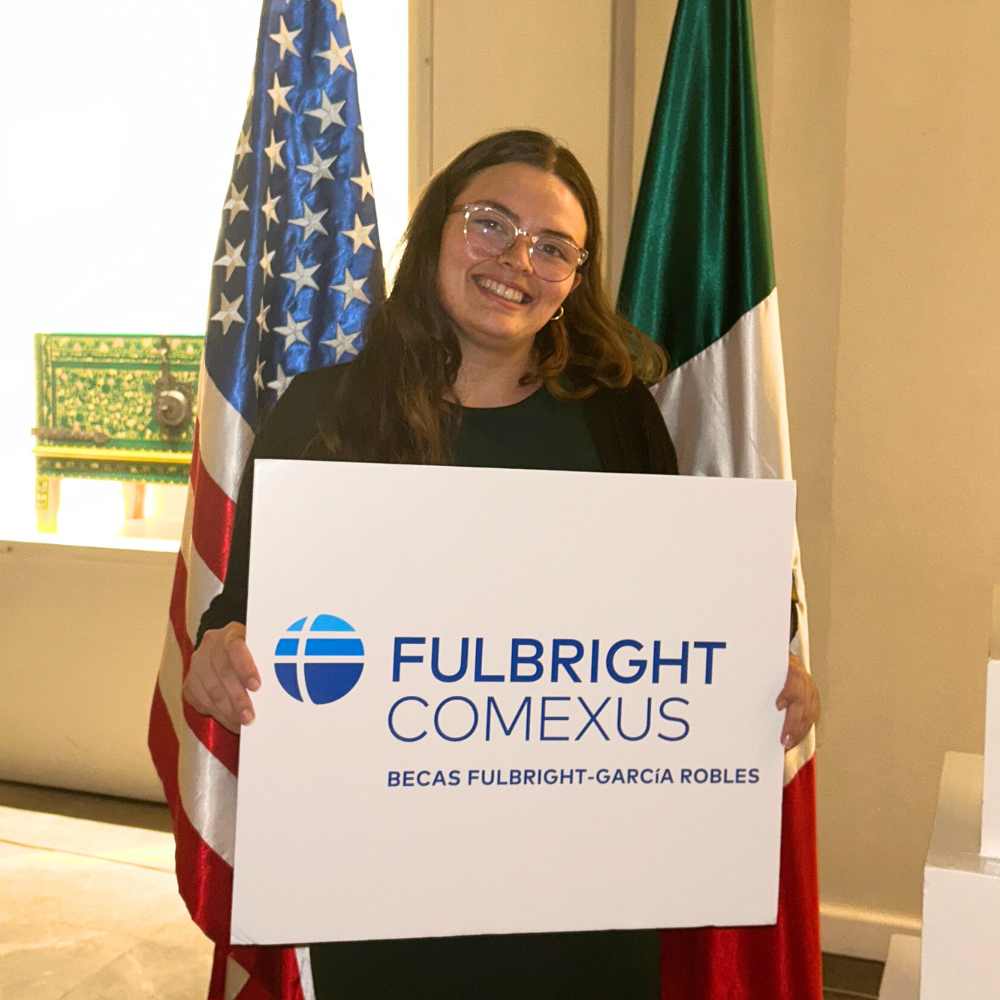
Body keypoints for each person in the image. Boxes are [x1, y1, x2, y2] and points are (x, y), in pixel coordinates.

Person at [184, 128, 820, 999]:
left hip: (581, 880)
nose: (518, 259)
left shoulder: (615, 416)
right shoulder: (324, 411)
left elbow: (677, 607)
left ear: (574, 282)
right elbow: (247, 606)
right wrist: (219, 646)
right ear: (436, 230)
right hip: (379, 878)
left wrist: (761, 671)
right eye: (490, 223)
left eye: (554, 247)